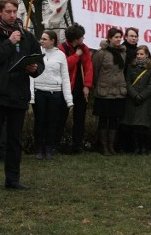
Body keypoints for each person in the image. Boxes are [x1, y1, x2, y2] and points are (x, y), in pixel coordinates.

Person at [0, 0, 44, 193]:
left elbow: (39, 62)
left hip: (18, 94)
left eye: (15, 11)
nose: (13, 15)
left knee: (15, 140)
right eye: (8, 11)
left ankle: (13, 179)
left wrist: (34, 69)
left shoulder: (27, 36)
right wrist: (8, 42)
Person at [32, 30, 73, 160]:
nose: (41, 41)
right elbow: (30, 75)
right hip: (39, 91)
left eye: (44, 39)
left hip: (55, 93)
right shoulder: (37, 52)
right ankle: (38, 148)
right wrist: (31, 95)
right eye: (41, 38)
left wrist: (68, 99)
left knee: (52, 122)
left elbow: (65, 77)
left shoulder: (60, 55)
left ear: (52, 41)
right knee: (39, 121)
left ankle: (49, 147)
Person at [59, 23, 93, 154]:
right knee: (61, 116)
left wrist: (87, 86)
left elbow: (89, 68)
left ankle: (77, 145)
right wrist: (76, 56)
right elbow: (64, 65)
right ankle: (57, 143)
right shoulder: (62, 48)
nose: (83, 39)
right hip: (66, 87)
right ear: (75, 39)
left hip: (80, 87)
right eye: (81, 36)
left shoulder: (84, 49)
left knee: (80, 118)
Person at [92, 27, 127, 156]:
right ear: (110, 38)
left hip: (118, 92)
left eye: (120, 37)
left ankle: (111, 147)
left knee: (114, 120)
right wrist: (99, 85)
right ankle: (103, 147)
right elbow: (95, 71)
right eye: (116, 37)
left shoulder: (123, 53)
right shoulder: (101, 53)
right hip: (104, 92)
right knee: (104, 120)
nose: (118, 39)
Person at [121, 45, 151, 155]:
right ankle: (136, 147)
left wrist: (142, 96)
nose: (139, 56)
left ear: (147, 55)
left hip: (145, 101)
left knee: (144, 126)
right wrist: (134, 95)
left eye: (142, 54)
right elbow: (127, 82)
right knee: (133, 125)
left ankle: (144, 147)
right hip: (132, 100)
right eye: (138, 54)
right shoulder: (131, 67)